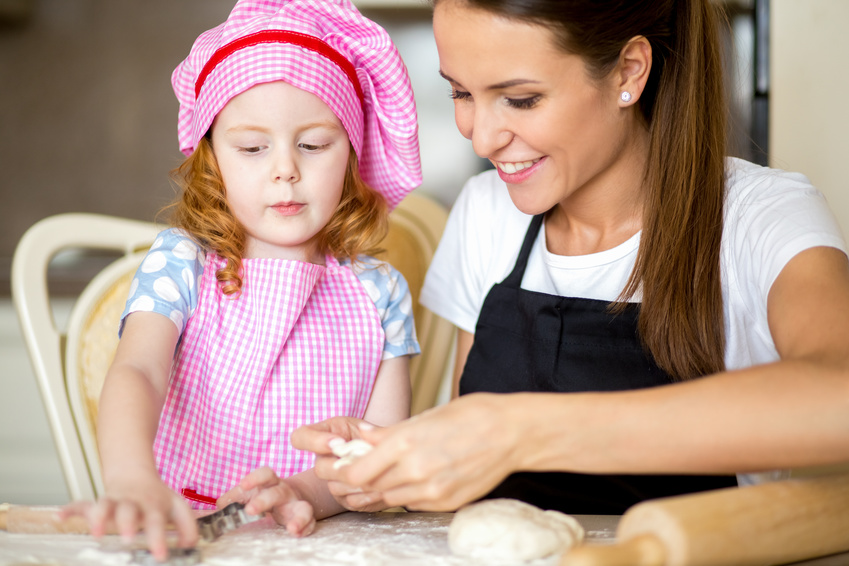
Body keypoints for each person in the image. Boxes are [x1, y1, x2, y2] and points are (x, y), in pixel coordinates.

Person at [291, 0, 849, 517]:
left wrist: (520, 430)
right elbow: (468, 458)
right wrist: (383, 464)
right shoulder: (486, 212)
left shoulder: (761, 217)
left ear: (629, 71)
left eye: (521, 99)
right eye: (460, 93)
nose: (481, 139)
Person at [64, 0, 422, 560]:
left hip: (323, 542)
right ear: (214, 160)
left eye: (313, 144)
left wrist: (304, 491)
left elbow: (377, 453)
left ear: (352, 154)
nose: (285, 168)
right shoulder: (182, 261)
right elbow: (138, 371)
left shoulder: (381, 293)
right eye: (253, 148)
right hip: (184, 533)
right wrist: (132, 479)